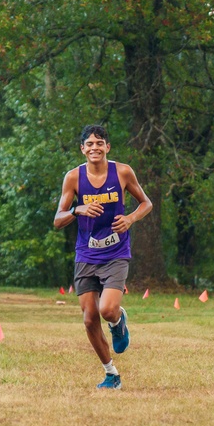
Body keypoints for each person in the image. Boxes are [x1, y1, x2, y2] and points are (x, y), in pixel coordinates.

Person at [54, 125, 153, 389]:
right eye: (89, 144)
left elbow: (146, 203)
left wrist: (130, 219)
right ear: (82, 149)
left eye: (100, 143)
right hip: (86, 254)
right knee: (89, 319)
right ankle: (111, 373)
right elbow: (57, 220)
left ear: (107, 147)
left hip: (116, 253)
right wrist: (79, 209)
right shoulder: (73, 178)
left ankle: (118, 321)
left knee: (107, 310)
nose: (94, 147)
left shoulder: (122, 171)